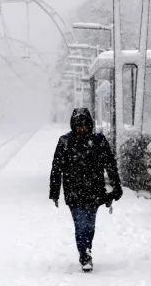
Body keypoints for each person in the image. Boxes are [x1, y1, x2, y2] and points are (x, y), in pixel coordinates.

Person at [48, 107, 122, 273]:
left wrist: (116, 187)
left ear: (90, 125)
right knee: (81, 223)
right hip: (73, 191)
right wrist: (54, 192)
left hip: (95, 191)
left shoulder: (98, 140)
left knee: (89, 225)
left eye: (85, 125)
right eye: (78, 125)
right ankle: (85, 254)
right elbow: (56, 168)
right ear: (73, 126)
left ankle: (86, 248)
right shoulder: (65, 141)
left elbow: (110, 165)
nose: (82, 128)